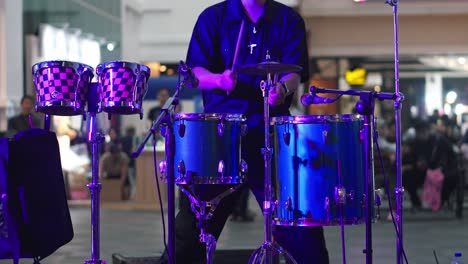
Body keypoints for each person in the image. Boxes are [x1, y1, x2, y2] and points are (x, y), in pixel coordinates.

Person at [160, 0, 329, 263]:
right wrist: (219, 80)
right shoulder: (213, 17)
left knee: (301, 232)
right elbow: (195, 73)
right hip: (220, 135)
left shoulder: (288, 19)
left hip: (272, 134)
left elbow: (294, 73)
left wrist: (282, 90)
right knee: (192, 231)